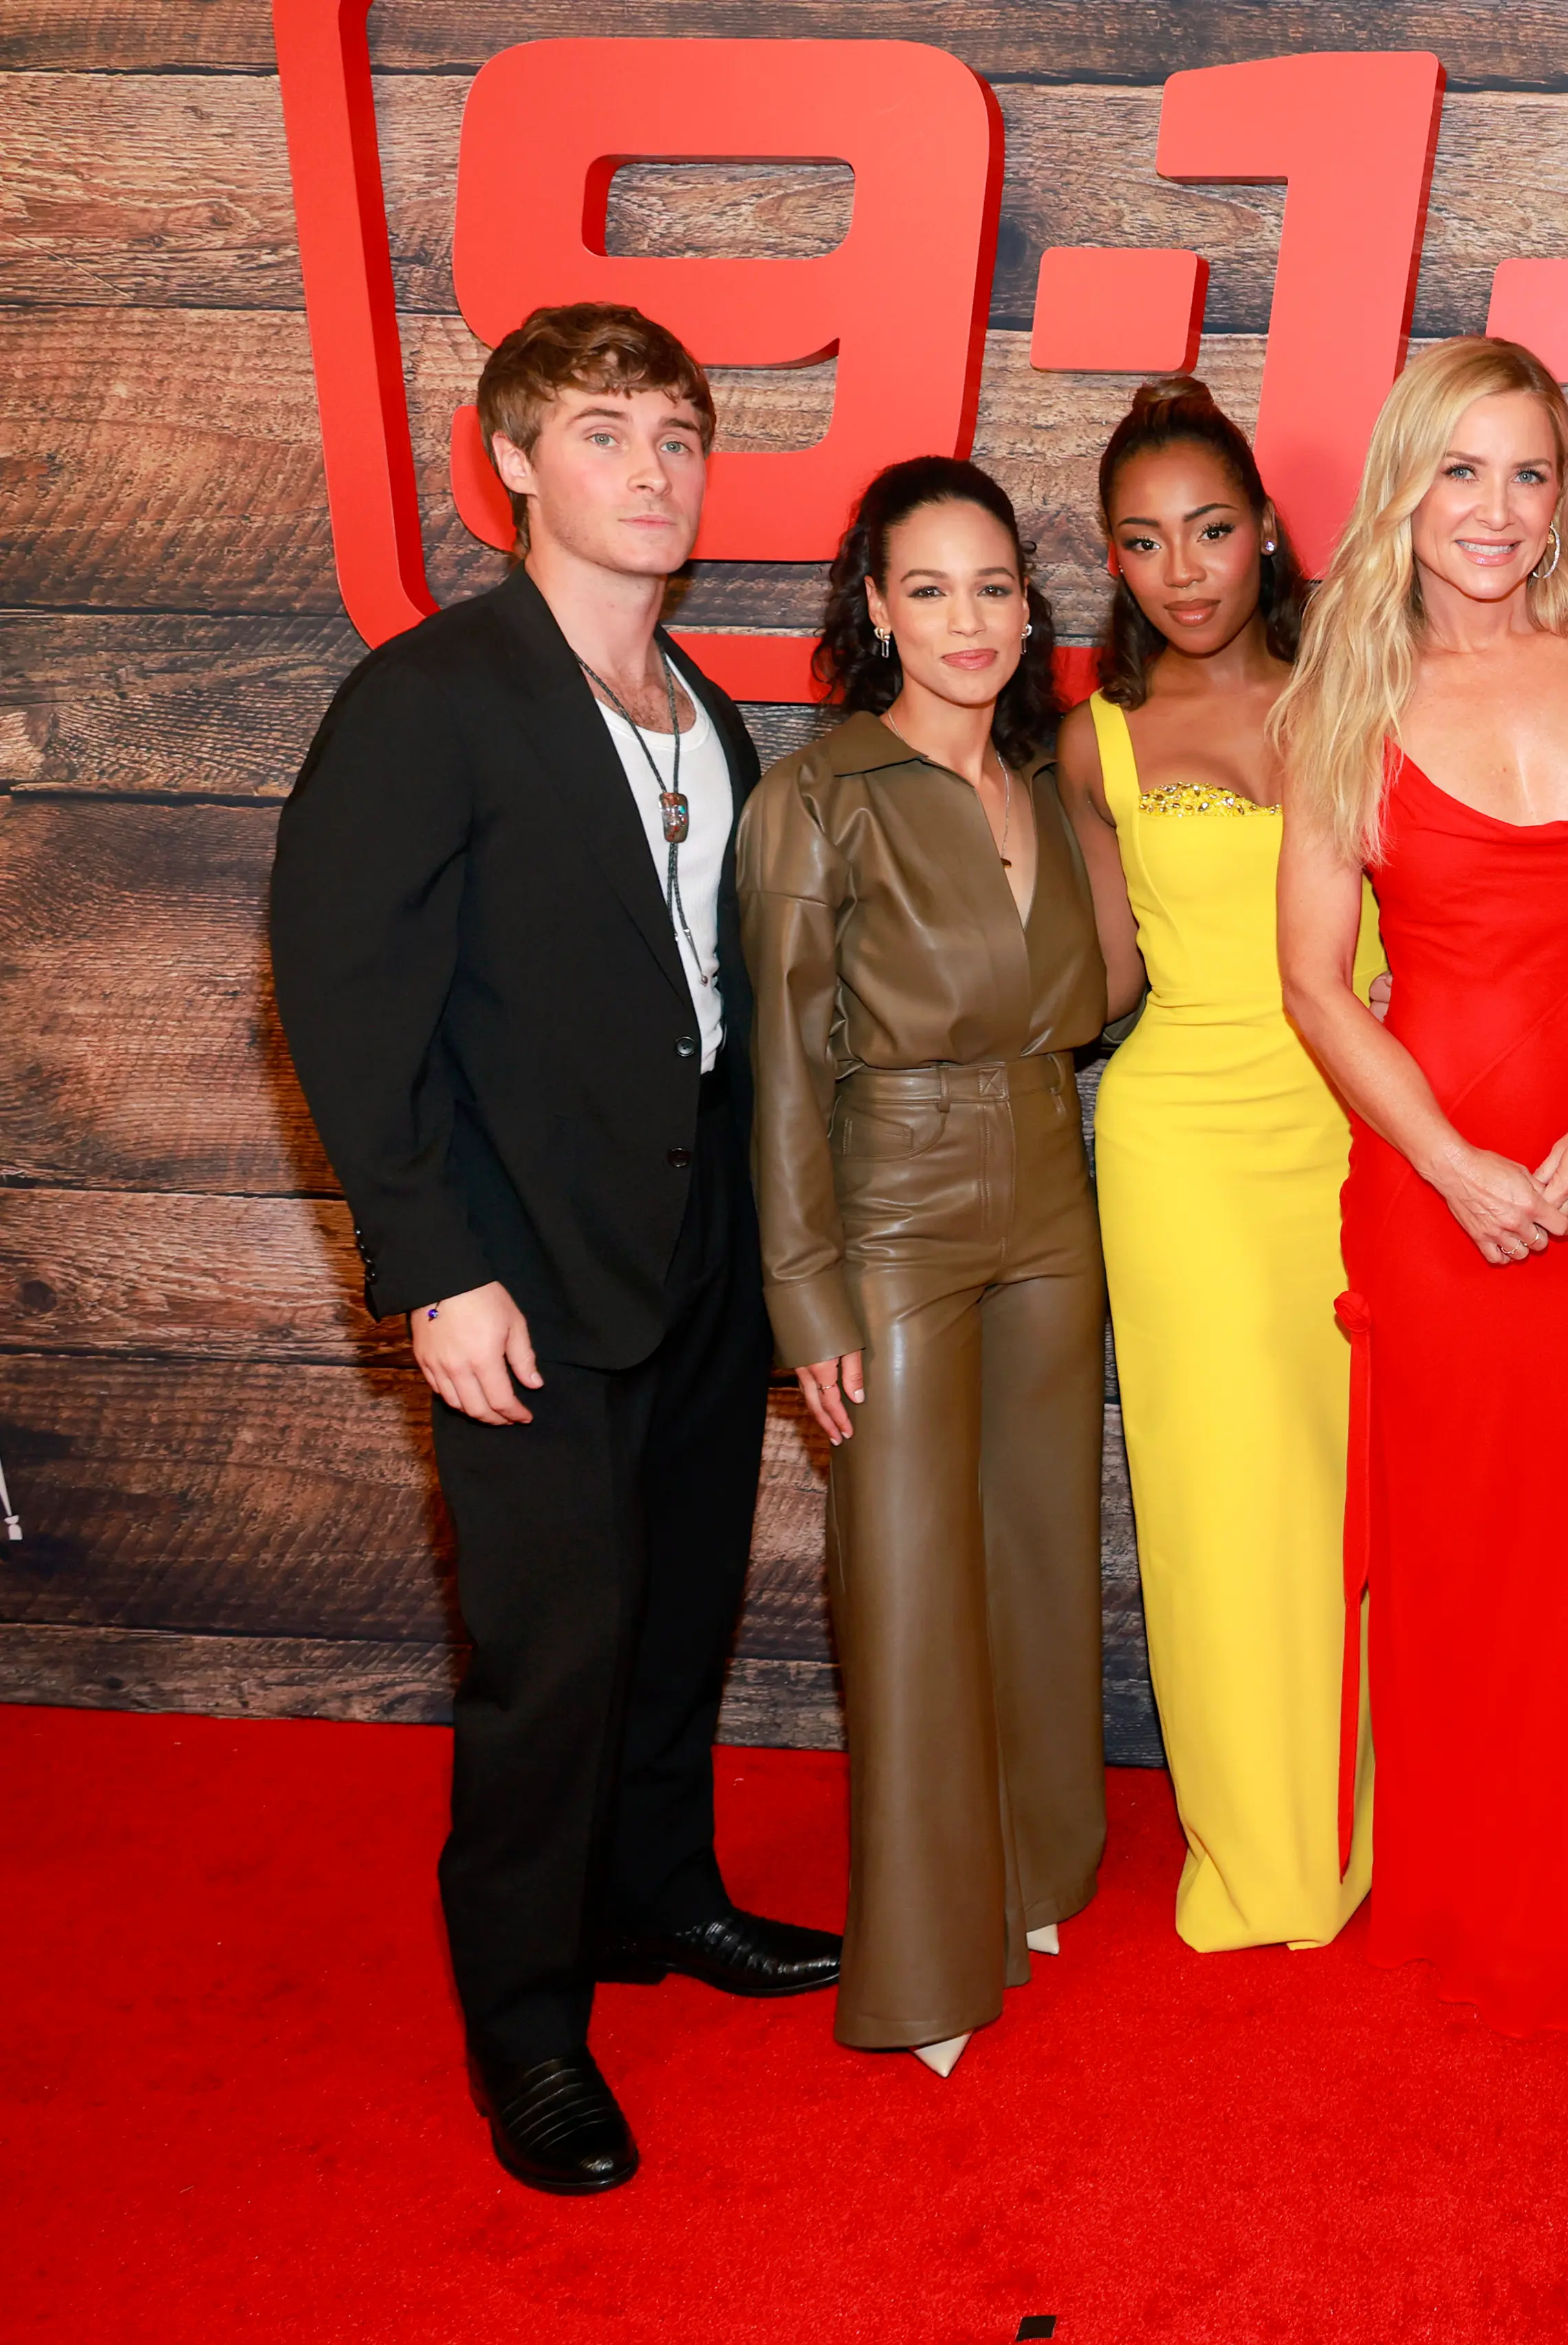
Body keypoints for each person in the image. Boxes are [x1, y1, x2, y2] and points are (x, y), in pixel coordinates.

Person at [270, 303, 838, 2194]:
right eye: (607, 435)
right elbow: (346, 999)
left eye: (679, 434)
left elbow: (714, 1010)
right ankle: (526, 2029)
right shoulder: (432, 698)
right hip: (517, 1278)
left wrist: (773, 1260)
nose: (654, 471)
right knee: (549, 1661)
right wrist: (436, 1269)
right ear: (509, 460)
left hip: (690, 1266)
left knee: (676, 1621)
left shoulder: (707, 710)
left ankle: (658, 1902)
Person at [1274, 336, 1568, 2033]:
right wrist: (1456, 1165)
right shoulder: (1349, 693)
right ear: (1405, 484)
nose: (1494, 509)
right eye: (1459, 470)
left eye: (1527, 471)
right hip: (1430, 1175)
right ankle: (1458, 1893)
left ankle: (1567, 1902)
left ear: (1565, 494)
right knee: (1456, 1549)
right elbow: (1318, 979)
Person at [740, 457, 1109, 2078]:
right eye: (931, 588)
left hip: (1050, 1199)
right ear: (875, 608)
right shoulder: (817, 794)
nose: (970, 621)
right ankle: (922, 1960)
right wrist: (804, 1288)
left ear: (1029, 612)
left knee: (1035, 1554)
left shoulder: (1050, 784)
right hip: (890, 1218)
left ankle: (1030, 1871)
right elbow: (776, 1070)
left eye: (996, 588)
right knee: (901, 1584)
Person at [1054, 378, 1384, 1952]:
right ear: (1111, 565)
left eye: (1210, 528)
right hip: (1179, 1143)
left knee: (1341, 1494)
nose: (1184, 570)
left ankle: (1363, 1818)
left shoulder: (1363, 693)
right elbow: (1105, 981)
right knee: (1210, 1500)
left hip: (1349, 1130)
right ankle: (1259, 1847)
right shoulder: (1094, 744)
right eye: (1143, 543)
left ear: (1265, 532)